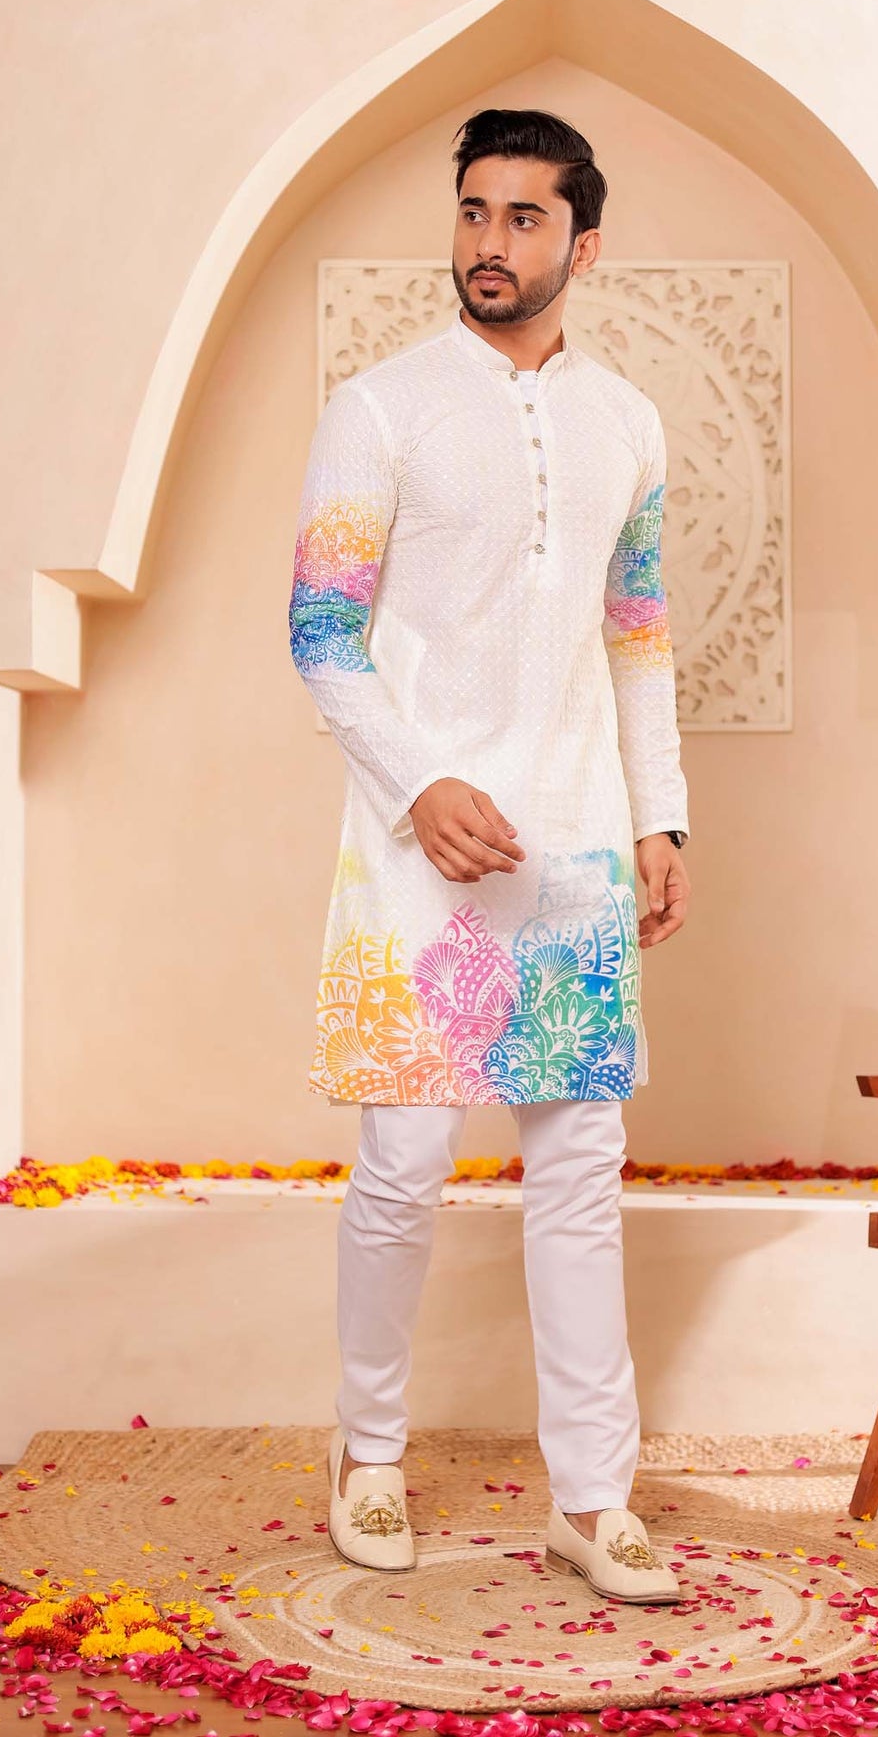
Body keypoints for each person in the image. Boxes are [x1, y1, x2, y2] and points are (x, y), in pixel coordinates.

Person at [288, 107, 692, 1602]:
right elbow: (321, 634)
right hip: (418, 852)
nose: (489, 242)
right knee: (403, 1163)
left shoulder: (630, 425)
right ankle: (368, 1455)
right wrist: (419, 788)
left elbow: (636, 635)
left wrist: (660, 815)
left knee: (579, 1168)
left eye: (524, 217)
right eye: (473, 210)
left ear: (585, 244)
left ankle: (594, 1496)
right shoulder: (380, 409)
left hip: (573, 850)